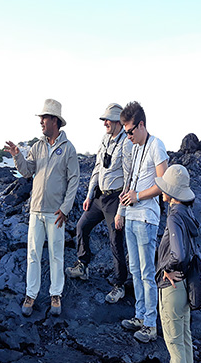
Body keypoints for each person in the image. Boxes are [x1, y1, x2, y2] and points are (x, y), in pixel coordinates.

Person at [4, 99, 79, 317]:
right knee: (33, 254)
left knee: (57, 255)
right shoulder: (37, 146)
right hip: (36, 211)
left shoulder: (68, 149)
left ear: (55, 121)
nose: (41, 122)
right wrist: (17, 155)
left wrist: (65, 208)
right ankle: (31, 294)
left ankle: (56, 295)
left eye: (44, 118)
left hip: (56, 213)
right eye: (41, 118)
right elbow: (27, 171)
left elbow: (74, 179)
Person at [65, 103, 132, 303]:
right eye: (104, 120)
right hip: (99, 197)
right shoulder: (104, 139)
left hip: (116, 198)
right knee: (81, 226)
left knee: (115, 240)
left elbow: (129, 177)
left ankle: (119, 285)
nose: (105, 123)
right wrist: (88, 195)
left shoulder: (126, 143)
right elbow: (97, 168)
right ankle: (82, 265)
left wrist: (122, 210)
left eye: (108, 120)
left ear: (118, 122)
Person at [119, 101, 168, 343]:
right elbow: (133, 179)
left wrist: (137, 196)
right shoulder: (136, 147)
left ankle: (150, 324)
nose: (127, 136)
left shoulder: (156, 146)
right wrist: (124, 202)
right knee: (136, 271)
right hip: (131, 216)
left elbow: (163, 183)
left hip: (147, 219)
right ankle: (140, 315)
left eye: (129, 131)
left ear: (141, 125)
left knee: (148, 273)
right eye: (124, 132)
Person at [154, 164, 197, 363]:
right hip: (186, 285)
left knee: (174, 344)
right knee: (185, 336)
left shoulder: (173, 216)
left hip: (172, 286)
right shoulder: (188, 214)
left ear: (171, 192)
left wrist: (167, 268)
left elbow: (178, 254)